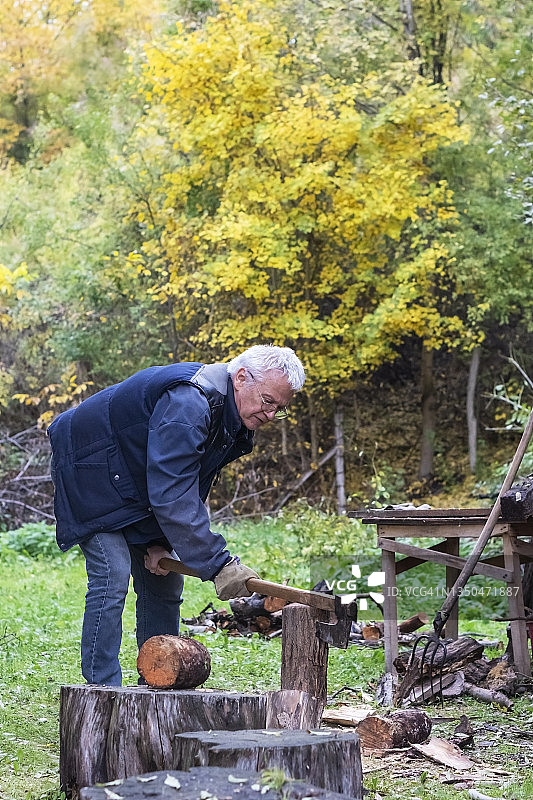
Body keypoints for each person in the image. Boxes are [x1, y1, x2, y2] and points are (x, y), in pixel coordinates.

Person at [48, 345, 305, 685]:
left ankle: (157, 681)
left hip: (133, 479)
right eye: (268, 401)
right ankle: (102, 690)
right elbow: (171, 491)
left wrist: (161, 542)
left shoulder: (230, 415)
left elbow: (189, 480)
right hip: (90, 471)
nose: (271, 414)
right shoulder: (189, 402)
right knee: (112, 574)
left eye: (280, 408)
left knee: (164, 579)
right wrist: (219, 564)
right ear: (241, 377)